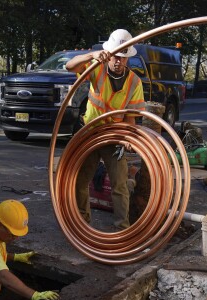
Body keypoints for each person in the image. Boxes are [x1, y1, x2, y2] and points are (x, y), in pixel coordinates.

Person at [65, 29, 145, 230]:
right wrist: (91, 55)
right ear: (109, 54)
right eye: (116, 56)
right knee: (80, 181)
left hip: (114, 137)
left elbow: (131, 117)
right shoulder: (97, 68)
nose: (119, 61)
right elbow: (69, 66)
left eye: (124, 57)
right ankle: (82, 224)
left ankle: (122, 228)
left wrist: (128, 137)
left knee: (119, 184)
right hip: (90, 134)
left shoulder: (134, 82)